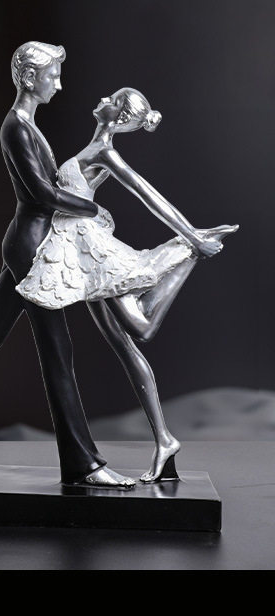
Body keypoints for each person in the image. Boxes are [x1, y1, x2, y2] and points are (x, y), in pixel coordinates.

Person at [0, 42, 134, 488]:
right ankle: (83, 464)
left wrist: (89, 183)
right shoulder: (16, 127)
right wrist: (93, 209)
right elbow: (42, 193)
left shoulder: (26, 125)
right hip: (32, 251)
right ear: (31, 78)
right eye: (54, 75)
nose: (60, 83)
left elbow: (52, 186)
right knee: (57, 351)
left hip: (27, 244)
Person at [16, 87, 237, 481]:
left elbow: (147, 195)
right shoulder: (93, 148)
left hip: (92, 252)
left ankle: (187, 254)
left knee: (140, 328)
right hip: (78, 251)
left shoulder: (105, 152)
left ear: (117, 117)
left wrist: (190, 237)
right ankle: (165, 440)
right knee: (123, 343)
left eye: (113, 100)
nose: (104, 99)